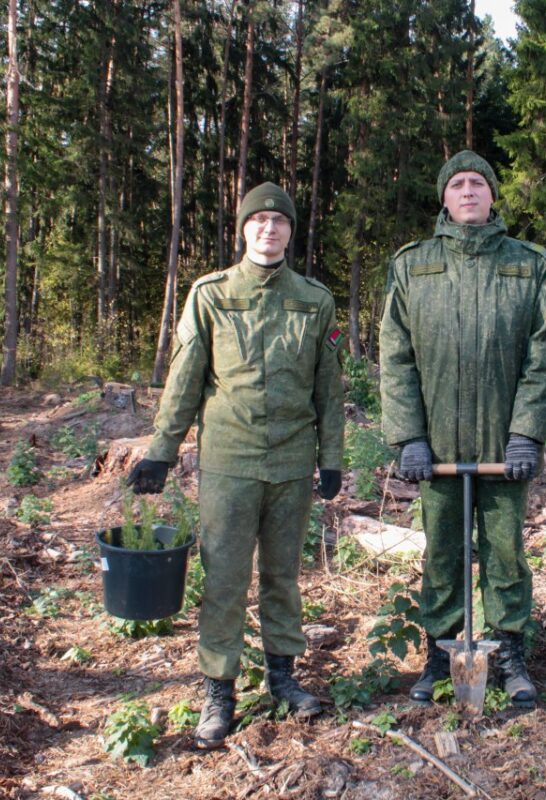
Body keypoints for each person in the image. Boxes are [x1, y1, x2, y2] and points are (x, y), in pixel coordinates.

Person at [127, 182, 345, 749]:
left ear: (291, 232)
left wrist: (332, 460)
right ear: (243, 229)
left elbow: (328, 388)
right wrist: (160, 451)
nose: (268, 229)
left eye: (279, 221)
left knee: (283, 576)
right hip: (230, 458)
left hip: (293, 461)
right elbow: (185, 380)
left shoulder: (315, 300)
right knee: (224, 578)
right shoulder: (211, 294)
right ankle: (218, 691)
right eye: (258, 221)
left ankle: (282, 678)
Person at [379, 150, 546, 708]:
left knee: (506, 552)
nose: (467, 192)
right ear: (444, 196)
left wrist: (526, 433)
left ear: (491, 196)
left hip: (502, 446)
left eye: (477, 184)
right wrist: (409, 436)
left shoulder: (527, 264)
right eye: (457, 184)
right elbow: (397, 355)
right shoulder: (414, 265)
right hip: (436, 445)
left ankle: (508, 650)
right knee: (441, 553)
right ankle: (441, 652)